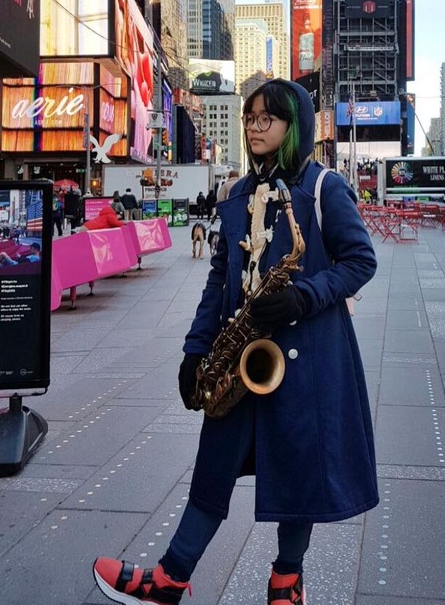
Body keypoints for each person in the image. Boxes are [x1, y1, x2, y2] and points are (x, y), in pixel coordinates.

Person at [92, 78, 379, 605]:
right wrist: (195, 350)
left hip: (305, 360)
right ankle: (171, 577)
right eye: (249, 118)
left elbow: (361, 261)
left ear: (296, 126)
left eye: (266, 118)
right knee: (214, 464)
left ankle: (286, 582)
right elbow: (218, 279)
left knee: (299, 477)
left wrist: (304, 296)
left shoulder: (324, 188)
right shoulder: (236, 194)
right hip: (241, 355)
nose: (254, 127)